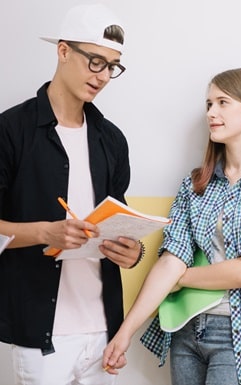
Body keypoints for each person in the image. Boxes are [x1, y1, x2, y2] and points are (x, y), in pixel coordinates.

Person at [101, 68, 241, 384]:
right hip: (186, 329)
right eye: (209, 104)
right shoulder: (195, 184)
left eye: (223, 102)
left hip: (238, 333)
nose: (212, 112)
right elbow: (171, 259)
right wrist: (124, 333)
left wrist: (180, 279)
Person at [0, 4, 143, 383]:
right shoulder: (11, 131)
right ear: (63, 51)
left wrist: (133, 251)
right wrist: (47, 233)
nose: (103, 76)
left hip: (103, 333)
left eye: (112, 66)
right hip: (42, 337)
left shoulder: (112, 140)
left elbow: (119, 222)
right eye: (95, 61)